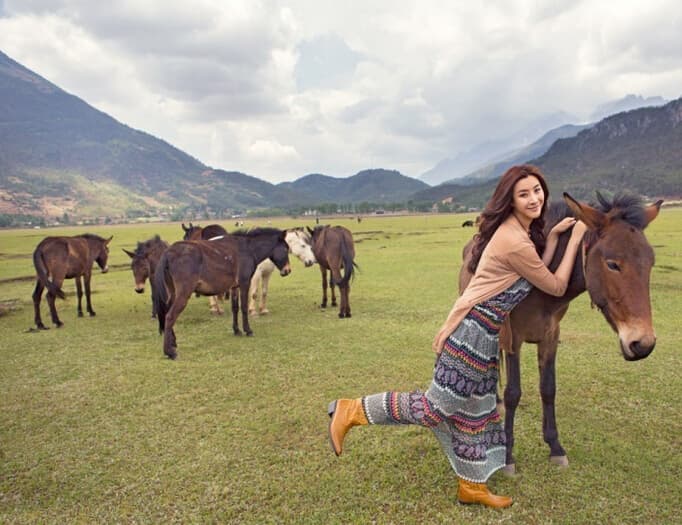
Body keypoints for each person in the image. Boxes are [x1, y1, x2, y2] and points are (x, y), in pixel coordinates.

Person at [327, 164, 587, 509]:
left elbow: (535, 268)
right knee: (434, 409)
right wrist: (577, 239)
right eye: (523, 193)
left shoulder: (519, 234)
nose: (534, 198)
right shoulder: (512, 238)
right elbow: (553, 284)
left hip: (486, 334)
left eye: (537, 190)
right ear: (509, 200)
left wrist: (553, 239)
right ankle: (352, 409)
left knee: (477, 410)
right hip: (471, 334)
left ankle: (472, 486)